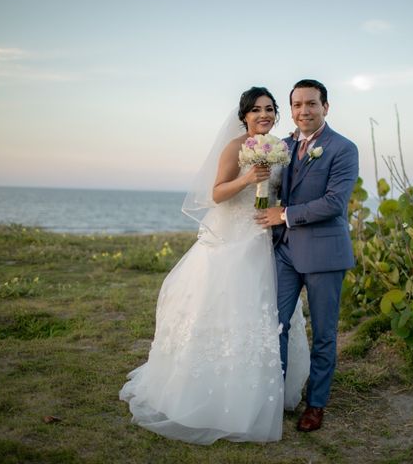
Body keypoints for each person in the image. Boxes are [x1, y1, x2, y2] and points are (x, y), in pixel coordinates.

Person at [119, 87, 309, 445]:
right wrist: (247, 179)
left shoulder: (280, 148)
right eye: (256, 110)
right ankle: (211, 394)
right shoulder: (235, 148)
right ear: (244, 116)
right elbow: (216, 192)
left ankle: (259, 392)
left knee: (266, 315)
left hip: (263, 240)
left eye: (269, 109)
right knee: (223, 310)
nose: (264, 115)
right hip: (230, 241)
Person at [257, 79, 359, 432]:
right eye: (297, 105)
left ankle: (316, 404)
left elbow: (333, 203)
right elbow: (269, 190)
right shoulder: (281, 146)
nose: (304, 111)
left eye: (311, 104)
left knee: (325, 334)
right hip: (284, 251)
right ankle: (275, 396)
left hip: (325, 255)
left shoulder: (343, 149)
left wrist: (283, 214)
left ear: (325, 107)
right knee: (275, 325)